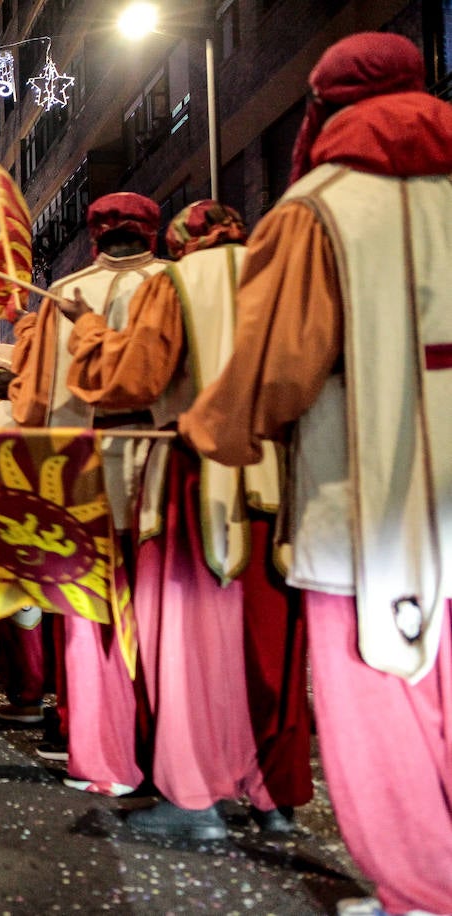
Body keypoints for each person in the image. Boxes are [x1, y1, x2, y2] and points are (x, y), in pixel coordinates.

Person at [178, 33, 452, 916]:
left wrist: (210, 427)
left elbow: (276, 368)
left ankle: (421, 886)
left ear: (324, 107)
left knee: (380, 697)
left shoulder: (317, 209)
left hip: (366, 499)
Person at [60, 200, 312, 840]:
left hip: (190, 477)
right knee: (271, 645)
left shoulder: (173, 284)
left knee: (187, 644)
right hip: (278, 478)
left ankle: (194, 798)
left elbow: (130, 381)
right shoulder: (277, 270)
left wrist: (88, 330)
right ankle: (272, 796)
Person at [10, 191, 167, 786]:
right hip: (164, 472)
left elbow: (34, 405)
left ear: (93, 234)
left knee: (88, 621)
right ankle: (168, 750)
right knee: (163, 618)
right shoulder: (174, 282)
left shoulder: (63, 297)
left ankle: (100, 751)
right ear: (152, 230)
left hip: (80, 478)